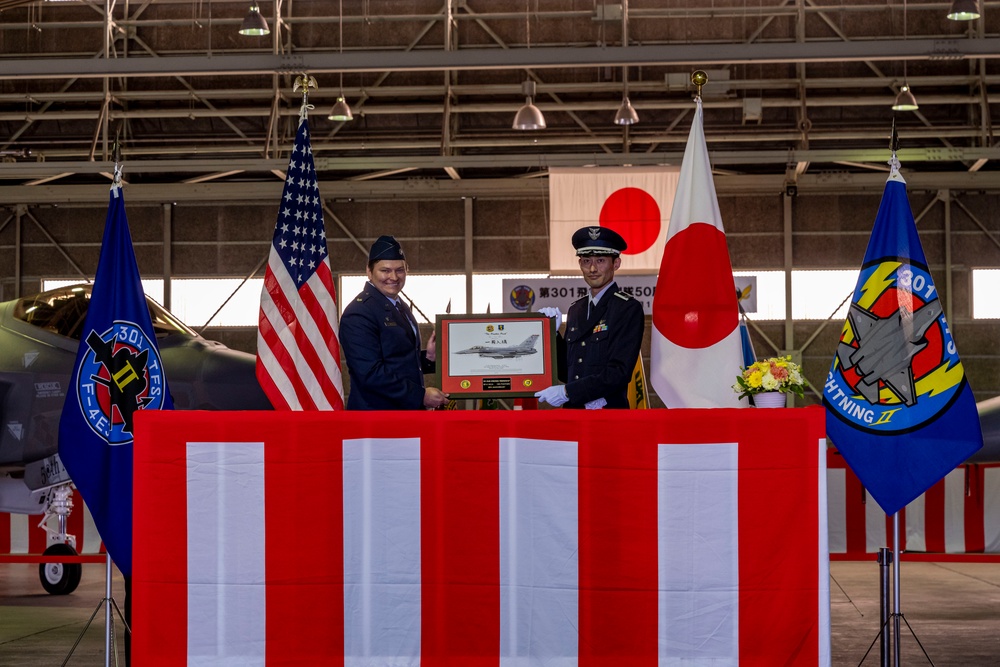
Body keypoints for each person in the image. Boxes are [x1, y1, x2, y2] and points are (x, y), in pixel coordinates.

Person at [534, 226, 645, 409]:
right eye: (586, 261)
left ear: (616, 264)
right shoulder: (576, 309)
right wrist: (552, 336)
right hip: (574, 413)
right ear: (580, 265)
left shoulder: (626, 308)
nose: (592, 268)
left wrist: (568, 392)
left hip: (608, 414)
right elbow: (566, 371)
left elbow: (619, 372)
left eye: (600, 260)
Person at [340, 235, 450, 410]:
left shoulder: (399, 306)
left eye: (400, 270)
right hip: (377, 420)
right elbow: (370, 373)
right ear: (369, 272)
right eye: (385, 270)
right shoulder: (359, 313)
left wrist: (428, 357)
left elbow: (398, 360)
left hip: (402, 417)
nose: (393, 277)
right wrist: (420, 396)